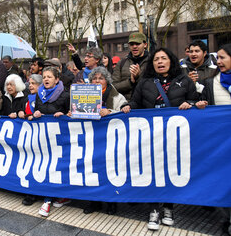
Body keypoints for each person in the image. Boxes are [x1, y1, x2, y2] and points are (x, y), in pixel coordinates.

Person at [122, 48, 200, 231]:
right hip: (152, 137)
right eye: (156, 59)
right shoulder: (145, 82)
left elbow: (195, 100)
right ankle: (154, 209)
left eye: (164, 58)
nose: (160, 62)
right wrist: (127, 106)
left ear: (171, 61)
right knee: (154, 172)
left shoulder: (185, 81)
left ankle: (169, 208)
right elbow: (136, 103)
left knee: (171, 171)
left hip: (176, 137)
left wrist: (192, 104)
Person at [80, 67, 127, 215]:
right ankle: (94, 201)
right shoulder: (83, 94)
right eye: (94, 78)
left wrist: (110, 112)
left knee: (110, 170)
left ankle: (111, 202)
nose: (97, 81)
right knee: (91, 170)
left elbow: (125, 113)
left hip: (110, 140)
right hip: (91, 138)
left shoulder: (117, 96)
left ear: (107, 80)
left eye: (101, 78)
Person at [195, 44, 231, 234]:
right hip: (221, 145)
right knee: (224, 182)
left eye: (223, 57)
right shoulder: (210, 83)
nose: (219, 61)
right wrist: (201, 105)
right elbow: (205, 108)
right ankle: (225, 220)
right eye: (218, 58)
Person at [30, 67, 70, 217]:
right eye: (44, 77)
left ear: (57, 80)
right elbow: (38, 111)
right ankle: (48, 198)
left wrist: (64, 115)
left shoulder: (65, 95)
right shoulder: (39, 94)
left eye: (49, 77)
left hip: (61, 138)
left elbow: (72, 113)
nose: (46, 79)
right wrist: (36, 114)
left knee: (58, 168)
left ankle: (50, 199)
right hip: (45, 138)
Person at [18, 73, 43, 206]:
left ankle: (35, 192)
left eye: (33, 83)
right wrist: (20, 113)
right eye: (29, 83)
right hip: (28, 135)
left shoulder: (43, 98)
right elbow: (21, 111)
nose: (30, 85)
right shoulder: (26, 97)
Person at [112, 32, 149, 101]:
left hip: (145, 107)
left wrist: (138, 76)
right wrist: (130, 81)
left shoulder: (152, 62)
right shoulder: (121, 63)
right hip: (125, 106)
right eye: (132, 44)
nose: (134, 46)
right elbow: (113, 87)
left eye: (138, 44)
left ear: (145, 45)